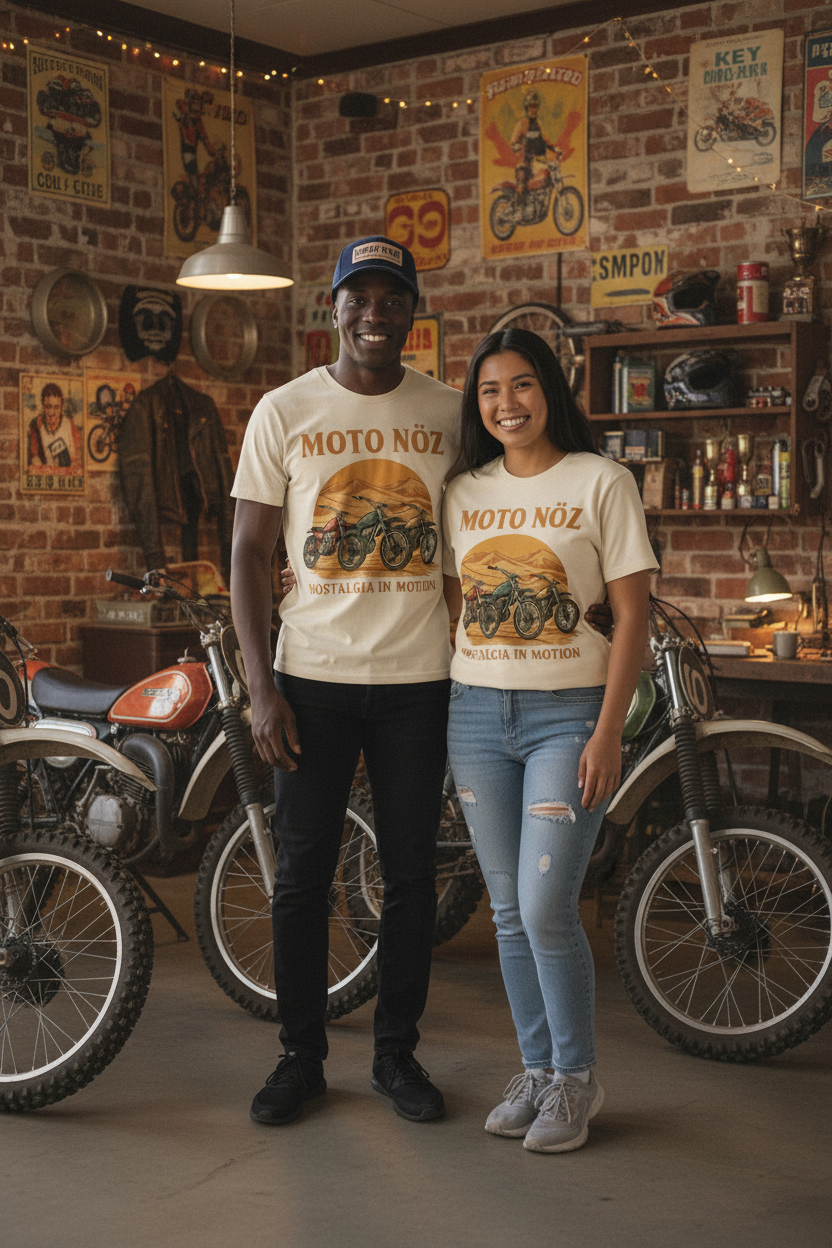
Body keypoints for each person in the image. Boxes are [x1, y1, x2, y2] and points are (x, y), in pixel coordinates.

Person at [230, 236, 462, 1127]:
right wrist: (261, 684)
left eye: (392, 297)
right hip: (311, 677)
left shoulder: (449, 411)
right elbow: (250, 555)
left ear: (412, 311)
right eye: (358, 296)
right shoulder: (282, 411)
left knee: (409, 874)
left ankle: (397, 1054)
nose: (375, 312)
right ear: (332, 306)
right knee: (302, 876)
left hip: (421, 678)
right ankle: (299, 1055)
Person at [441, 328, 656, 1153]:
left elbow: (631, 616)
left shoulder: (602, 481)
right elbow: (456, 603)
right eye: (491, 391)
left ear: (551, 391)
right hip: (475, 714)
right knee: (504, 911)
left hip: (570, 716)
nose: (507, 404)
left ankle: (576, 1077)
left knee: (543, 905)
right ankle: (535, 1069)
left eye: (523, 386)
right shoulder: (462, 491)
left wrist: (609, 730)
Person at [27, 382, 81, 470]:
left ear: (61, 408)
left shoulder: (69, 425)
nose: (52, 413)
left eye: (56, 407)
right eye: (48, 407)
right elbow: (34, 457)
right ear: (43, 407)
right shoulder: (36, 425)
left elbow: (78, 456)